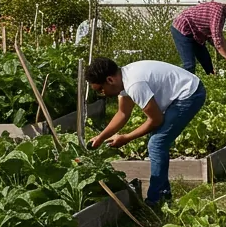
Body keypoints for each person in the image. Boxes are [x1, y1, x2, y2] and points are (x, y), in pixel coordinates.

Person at [86, 57, 205, 206]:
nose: (102, 94)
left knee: (156, 144)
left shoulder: (134, 84)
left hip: (189, 94)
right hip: (183, 91)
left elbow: (156, 120)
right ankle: (164, 195)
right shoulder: (124, 79)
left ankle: (155, 200)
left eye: (100, 90)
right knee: (156, 141)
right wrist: (101, 137)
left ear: (109, 80)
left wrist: (127, 138)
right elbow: (122, 114)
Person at [170, 0, 226, 75]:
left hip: (196, 34)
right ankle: (182, 86)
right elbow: (218, 43)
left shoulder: (221, 13)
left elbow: (217, 38)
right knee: (189, 65)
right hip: (182, 29)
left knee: (207, 63)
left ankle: (212, 81)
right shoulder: (218, 13)